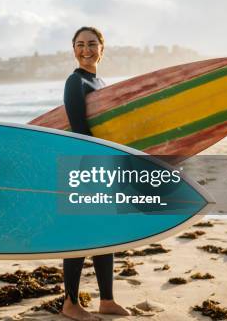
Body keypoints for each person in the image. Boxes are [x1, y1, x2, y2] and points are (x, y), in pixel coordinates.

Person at [62, 26, 129, 320]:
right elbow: (79, 129)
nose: (85, 49)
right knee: (79, 234)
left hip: (103, 164)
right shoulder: (74, 82)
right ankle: (70, 303)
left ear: (103, 47)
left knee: (105, 233)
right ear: (73, 49)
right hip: (84, 165)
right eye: (80, 44)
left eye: (91, 44)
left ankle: (107, 300)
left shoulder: (100, 82)